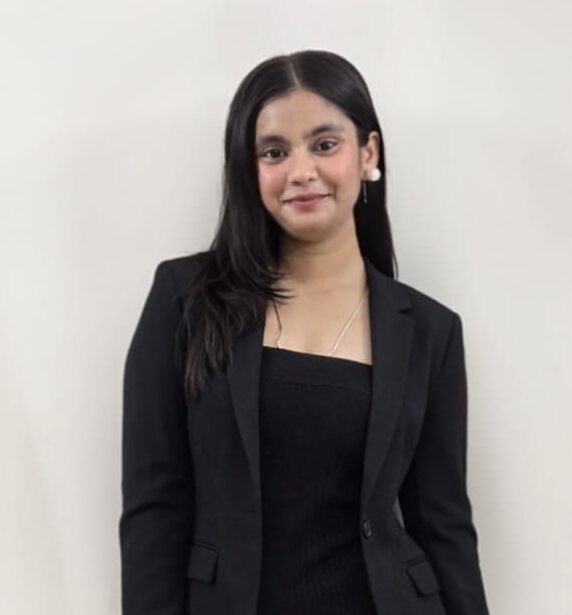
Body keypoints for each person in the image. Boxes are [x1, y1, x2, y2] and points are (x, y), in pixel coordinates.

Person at [119, 49, 490, 615]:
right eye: (274, 152)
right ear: (249, 169)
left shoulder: (430, 331)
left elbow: (444, 525)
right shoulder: (185, 299)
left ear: (368, 153)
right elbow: (154, 508)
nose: (301, 172)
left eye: (324, 144)